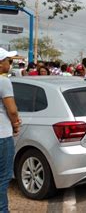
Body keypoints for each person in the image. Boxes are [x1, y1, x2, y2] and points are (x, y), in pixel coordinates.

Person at [0, 48, 21, 212]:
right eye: (9, 60)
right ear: (1, 64)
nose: (10, 63)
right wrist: (15, 124)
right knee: (3, 178)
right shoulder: (3, 81)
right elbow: (12, 110)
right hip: (2, 136)